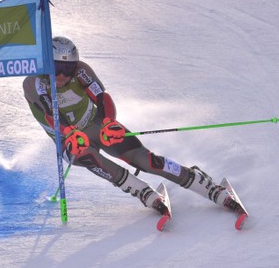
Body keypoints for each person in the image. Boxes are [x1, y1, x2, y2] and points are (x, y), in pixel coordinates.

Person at [23, 36, 241, 217]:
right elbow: (51, 113)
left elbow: (102, 97)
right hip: (69, 139)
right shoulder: (34, 82)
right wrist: (69, 133)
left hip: (96, 124)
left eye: (67, 68)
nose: (62, 75)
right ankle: (142, 192)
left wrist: (109, 121)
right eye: (56, 67)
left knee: (147, 161)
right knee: (90, 157)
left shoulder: (81, 71)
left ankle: (206, 185)